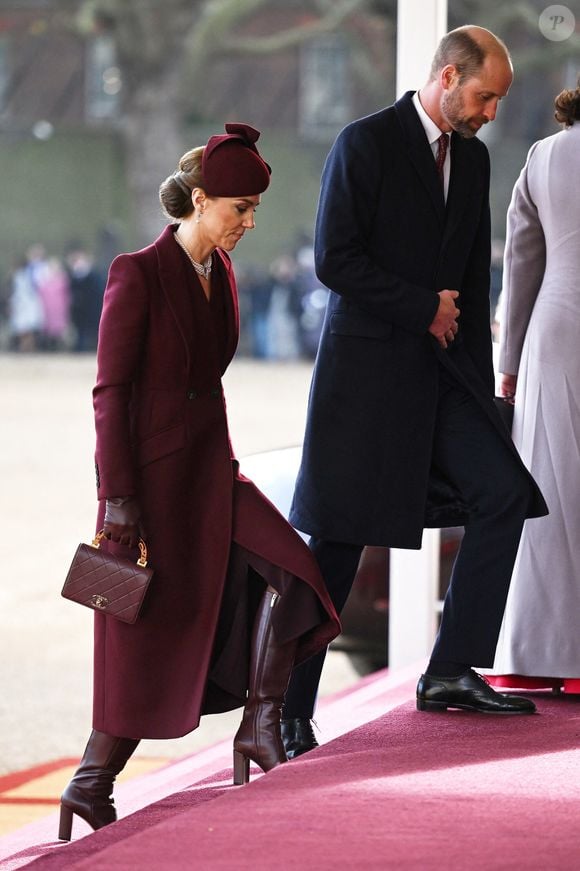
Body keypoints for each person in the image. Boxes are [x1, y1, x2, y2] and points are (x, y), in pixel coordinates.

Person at [58, 123, 340, 840]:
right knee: (147, 633)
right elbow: (110, 393)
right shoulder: (136, 271)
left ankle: (261, 723)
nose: (249, 222)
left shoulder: (221, 273)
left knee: (295, 571)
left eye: (254, 210)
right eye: (239, 207)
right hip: (149, 491)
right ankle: (91, 784)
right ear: (201, 197)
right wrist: (118, 498)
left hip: (213, 474)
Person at [280, 26, 549, 760]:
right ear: (449, 76)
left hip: (445, 379)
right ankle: (287, 711)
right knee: (335, 540)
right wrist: (420, 305)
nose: (493, 111)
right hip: (365, 380)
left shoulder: (477, 159)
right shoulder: (363, 143)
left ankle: (452, 669)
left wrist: (487, 378)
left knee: (503, 492)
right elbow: (335, 259)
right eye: (487, 95)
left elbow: (471, 275)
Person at [488, 82, 580, 693]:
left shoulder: (544, 156)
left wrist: (509, 355)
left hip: (556, 326)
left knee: (549, 483)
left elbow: (521, 260)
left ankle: (543, 653)